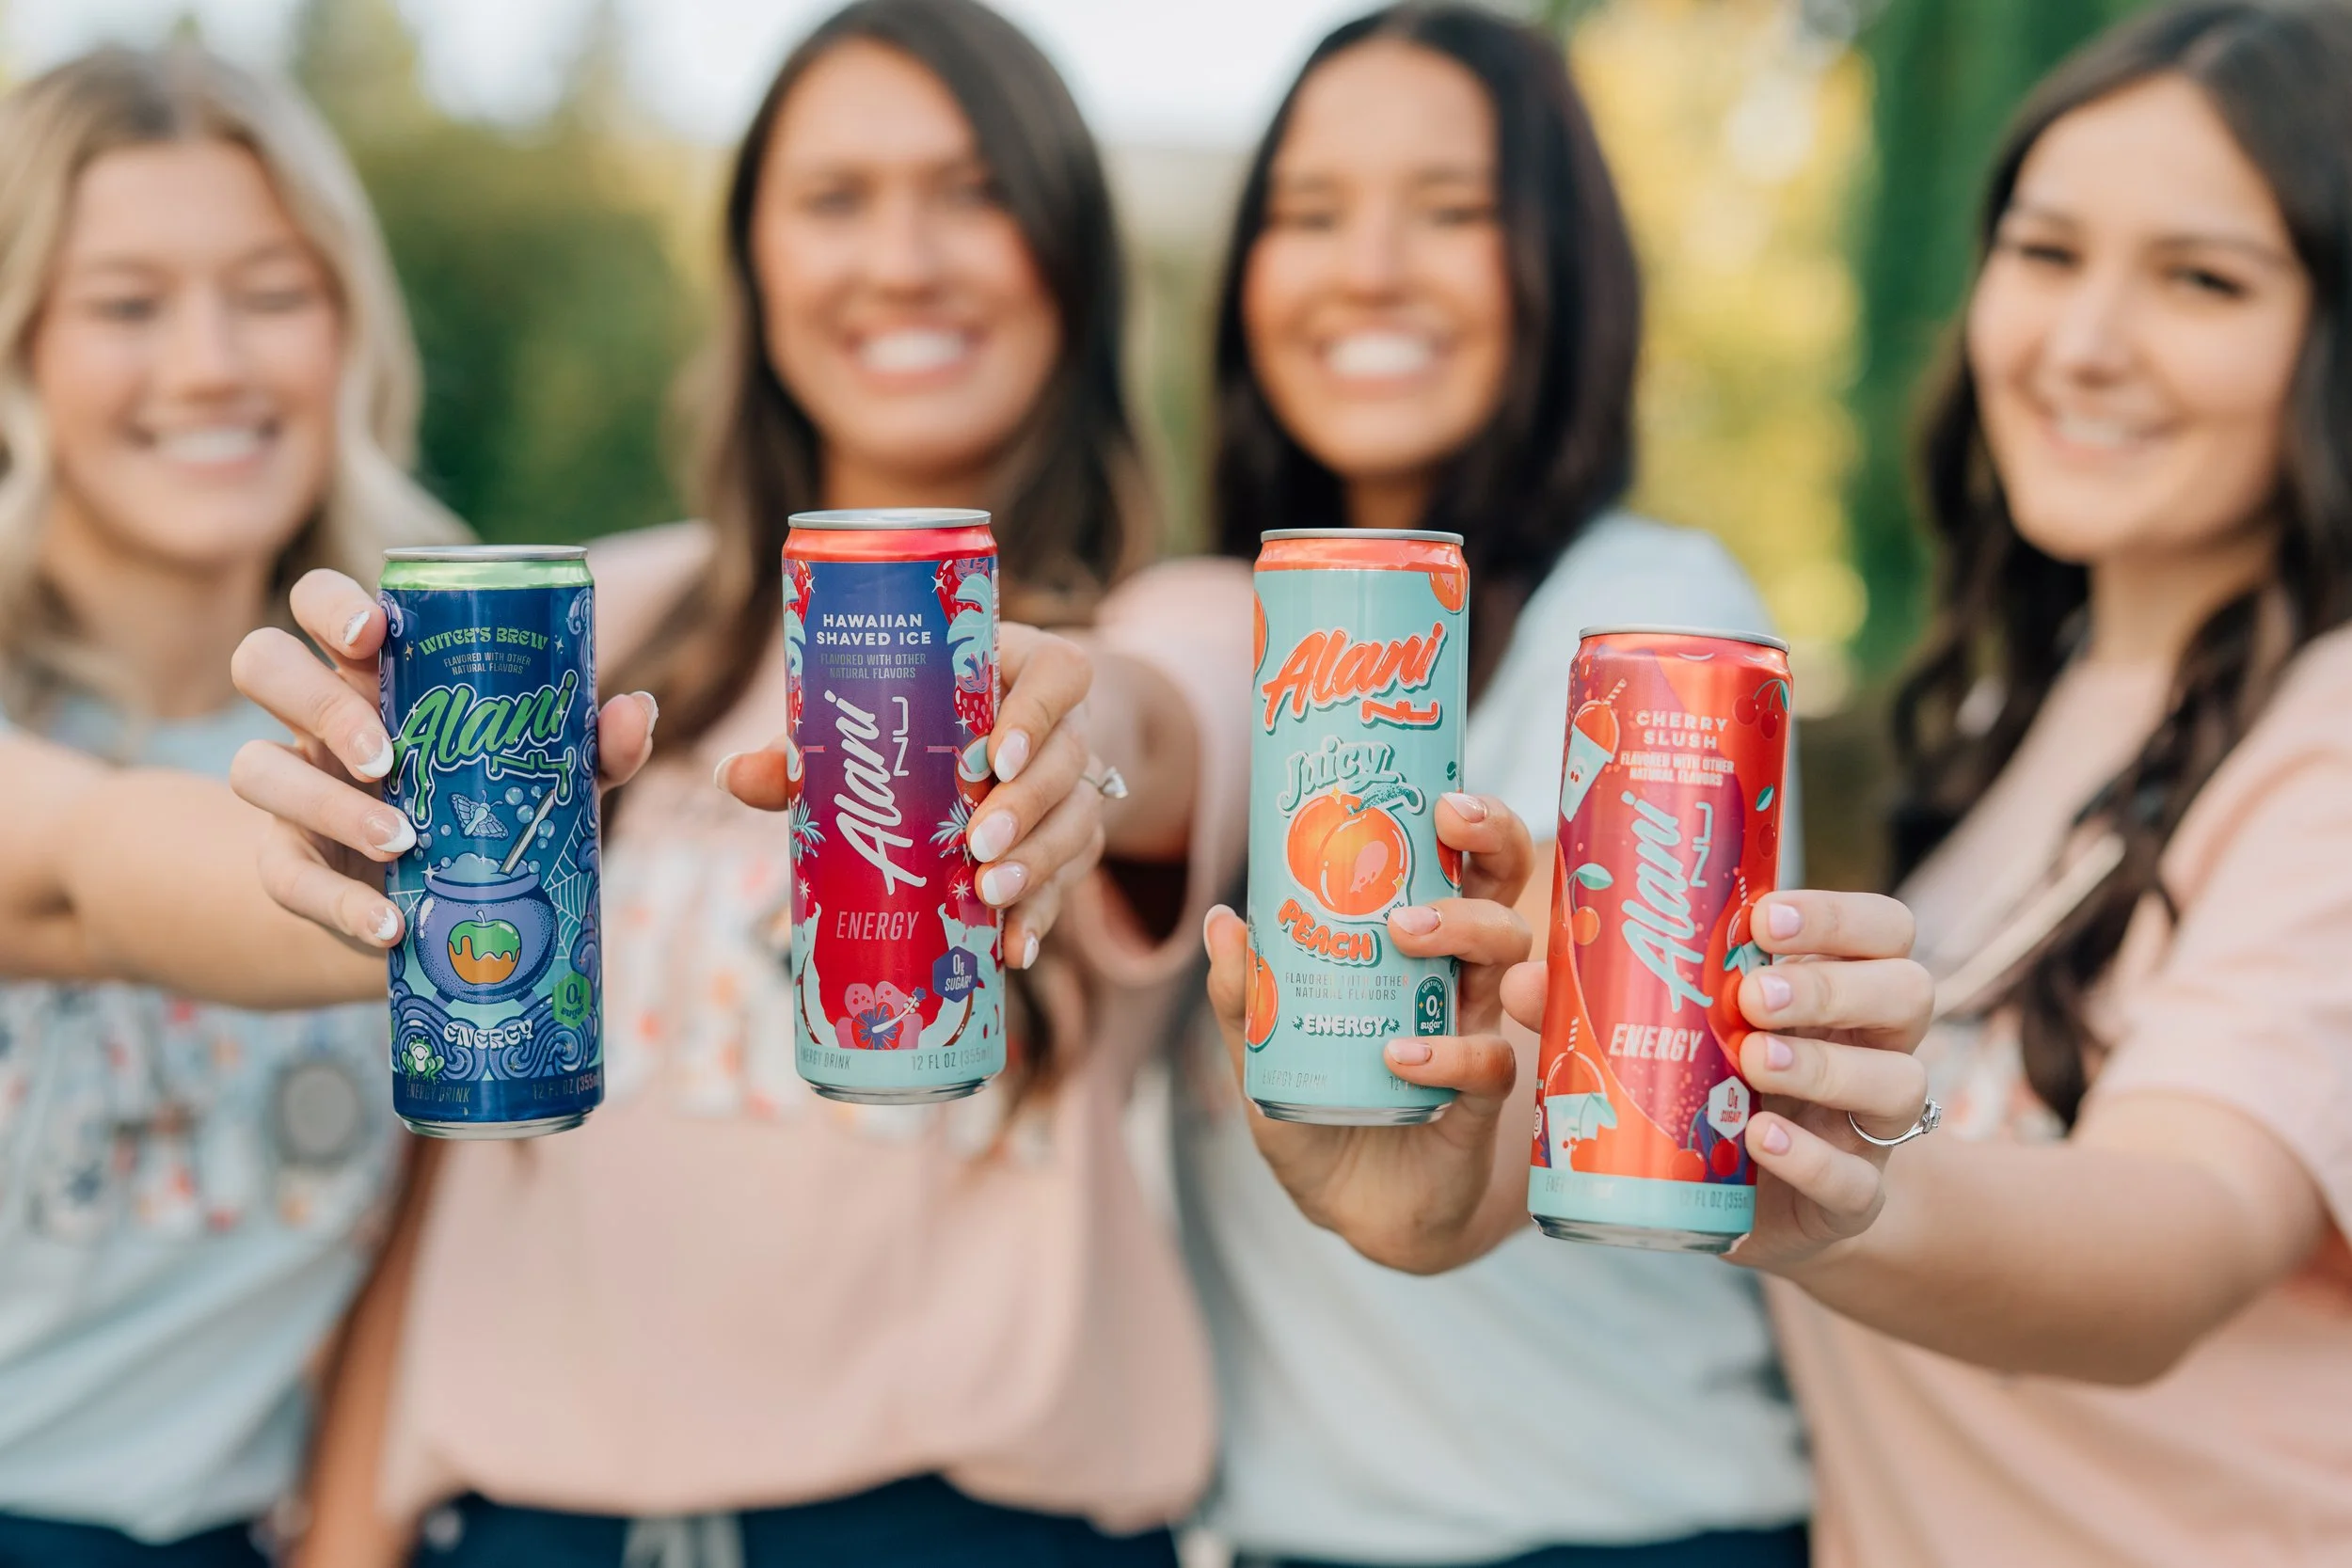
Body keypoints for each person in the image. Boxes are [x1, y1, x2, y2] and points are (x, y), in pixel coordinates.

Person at [1213, 3, 2352, 1565]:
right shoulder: (2035, 707)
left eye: (2202, 279)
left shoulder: (2334, 732)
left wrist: (1833, 1186)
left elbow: (2188, 1229)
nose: (2084, 340)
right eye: (2045, 253)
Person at [257, 3, 1233, 1562]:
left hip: (956, 1529)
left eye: (973, 190)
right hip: (532, 1522)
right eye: (835, 197)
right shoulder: (602, 624)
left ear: (1071, 247)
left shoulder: (1171, 621)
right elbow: (451, 1185)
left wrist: (1072, 736)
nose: (901, 257)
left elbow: (1169, 731)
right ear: (756, 262)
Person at [1169, 10, 1921, 1566]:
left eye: (1450, 209)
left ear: (1560, 269)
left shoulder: (1648, 614)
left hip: (1622, 1528)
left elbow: (1593, 1101)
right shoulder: (1243, 625)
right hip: (1305, 1533)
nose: (1367, 267)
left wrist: (1448, 1181)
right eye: (1309, 214)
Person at [0, 44, 646, 1567]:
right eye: (127, 303)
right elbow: (84, 873)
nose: (214, 361)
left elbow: (418, 1244)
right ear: (19, 345)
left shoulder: (424, 702)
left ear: (351, 327)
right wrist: (368, 866)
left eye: (274, 292)